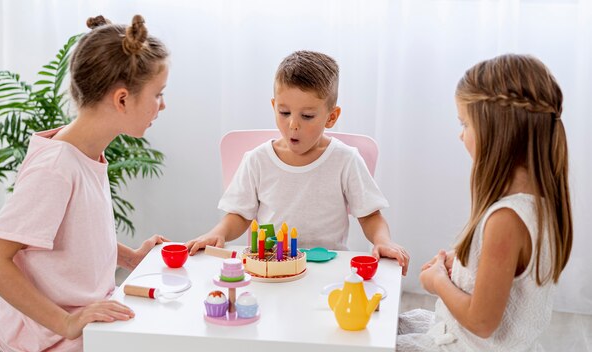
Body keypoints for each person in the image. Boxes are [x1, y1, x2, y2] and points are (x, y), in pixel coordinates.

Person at [0, 15, 170, 352]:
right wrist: (66, 322)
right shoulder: (57, 167)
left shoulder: (85, 153)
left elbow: (75, 237)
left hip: (78, 322)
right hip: (47, 337)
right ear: (122, 99)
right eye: (158, 94)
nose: (162, 105)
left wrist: (131, 258)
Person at [397, 54, 573, 351]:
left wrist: (438, 281)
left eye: (465, 123)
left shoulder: (505, 219)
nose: (460, 134)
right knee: (392, 324)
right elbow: (509, 283)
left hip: (470, 345)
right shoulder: (539, 204)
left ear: (496, 131)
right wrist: (463, 267)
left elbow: (481, 322)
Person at [186, 50, 409, 274]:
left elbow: (370, 215)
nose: (293, 124)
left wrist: (383, 241)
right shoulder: (257, 160)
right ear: (274, 106)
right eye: (284, 112)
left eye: (307, 116)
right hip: (271, 269)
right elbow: (239, 215)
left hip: (327, 269)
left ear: (331, 117)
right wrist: (219, 233)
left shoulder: (346, 159)